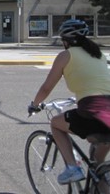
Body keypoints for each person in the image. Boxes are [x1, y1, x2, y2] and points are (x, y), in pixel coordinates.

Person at [28, 19, 110, 185]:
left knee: (56, 123)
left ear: (66, 40)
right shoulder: (99, 54)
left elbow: (46, 88)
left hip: (92, 111)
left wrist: (34, 105)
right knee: (97, 165)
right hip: (107, 111)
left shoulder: (66, 56)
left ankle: (73, 168)